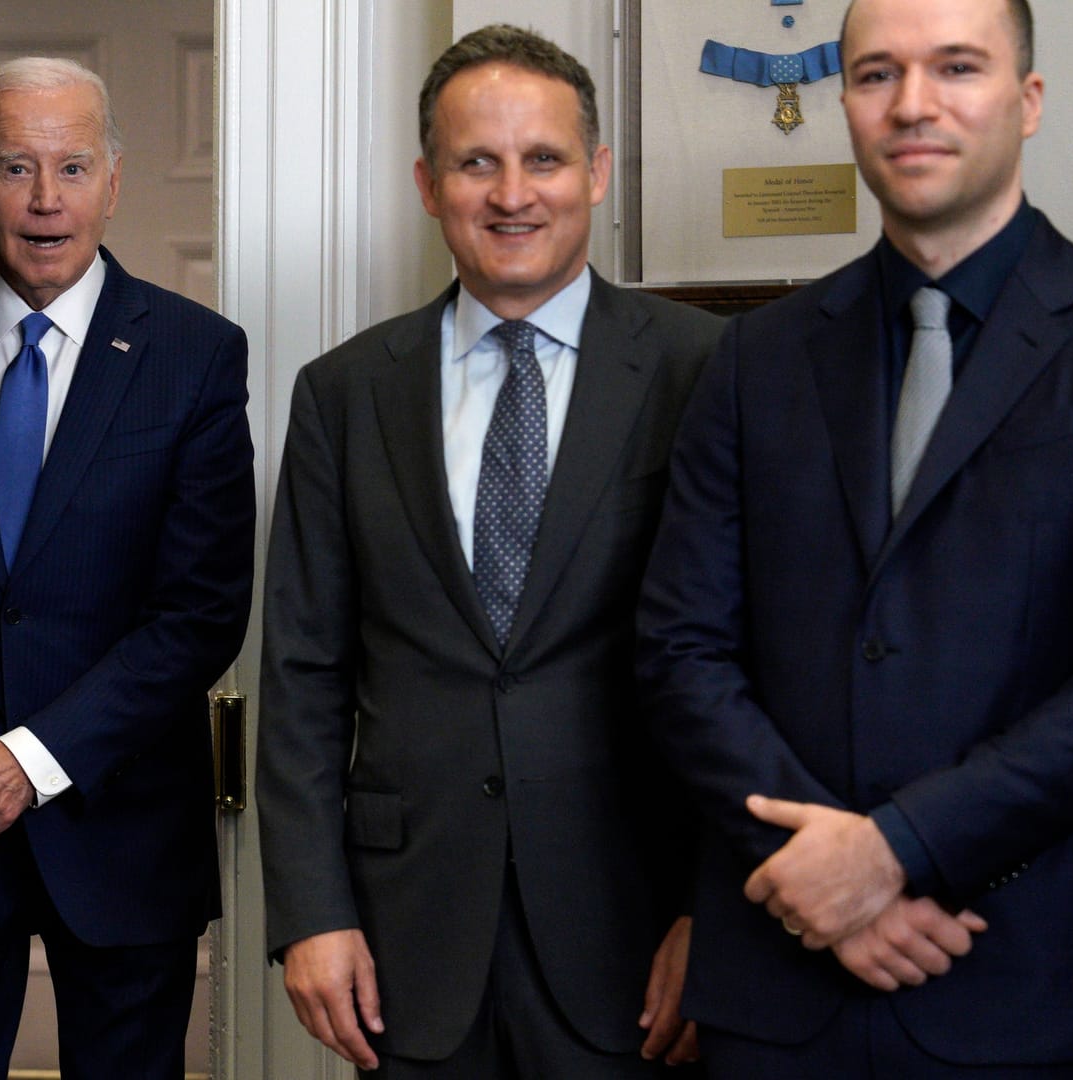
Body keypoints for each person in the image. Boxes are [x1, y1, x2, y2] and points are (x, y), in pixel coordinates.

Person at [637, 0, 1073, 1075]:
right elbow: (682, 650)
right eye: (876, 74)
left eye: (956, 67)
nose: (912, 104)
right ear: (845, 105)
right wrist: (821, 879)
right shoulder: (752, 361)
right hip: (781, 993)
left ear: (1028, 101)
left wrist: (894, 854)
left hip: (1034, 988)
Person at [257, 24, 723, 1076]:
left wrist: (717, 912)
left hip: (638, 933)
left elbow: (747, 665)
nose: (513, 193)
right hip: (405, 938)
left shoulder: (707, 371)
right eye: (478, 162)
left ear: (596, 173)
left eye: (544, 159)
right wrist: (309, 911)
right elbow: (302, 675)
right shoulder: (344, 394)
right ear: (429, 184)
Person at [0, 57, 255, 1079]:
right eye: (16, 167)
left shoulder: (195, 355)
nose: (46, 200)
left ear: (114, 180)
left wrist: (31, 760)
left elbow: (200, 615)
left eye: (73, 166)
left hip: (121, 834)